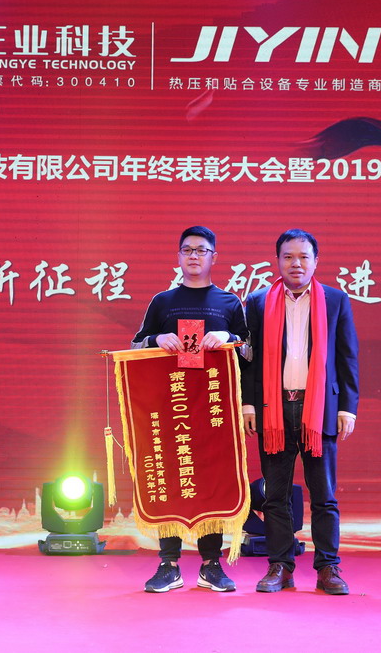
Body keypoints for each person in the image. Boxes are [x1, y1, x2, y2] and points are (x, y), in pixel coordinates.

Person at [241, 229, 359, 596]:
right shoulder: (257, 302)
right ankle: (280, 566)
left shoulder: (336, 301)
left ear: (315, 261)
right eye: (288, 256)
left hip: (319, 409)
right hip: (273, 410)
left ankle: (328, 568)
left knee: (324, 495)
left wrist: (347, 408)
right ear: (277, 261)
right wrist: (248, 403)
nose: (296, 263)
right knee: (275, 496)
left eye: (304, 257)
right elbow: (248, 360)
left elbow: (347, 357)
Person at [132, 225, 249, 593]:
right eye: (187, 250)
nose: (194, 256)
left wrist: (230, 337)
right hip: (171, 407)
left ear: (214, 257)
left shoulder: (229, 303)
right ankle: (168, 564)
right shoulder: (162, 301)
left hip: (214, 411)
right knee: (171, 476)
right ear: (178, 256)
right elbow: (134, 346)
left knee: (212, 480)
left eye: (201, 250)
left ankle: (211, 564)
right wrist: (156, 338)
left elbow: (250, 351)